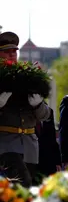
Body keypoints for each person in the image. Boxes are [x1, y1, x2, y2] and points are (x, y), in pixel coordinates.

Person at [0, 31, 50, 187]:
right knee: (23, 184)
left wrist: (38, 104)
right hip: (7, 145)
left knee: (24, 194)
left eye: (14, 51)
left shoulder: (27, 76)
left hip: (30, 147)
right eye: (6, 52)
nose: (11, 55)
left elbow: (45, 115)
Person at [35, 107, 62, 182]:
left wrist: (57, 161)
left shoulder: (49, 111)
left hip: (48, 162)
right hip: (30, 161)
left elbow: (52, 138)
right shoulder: (25, 111)